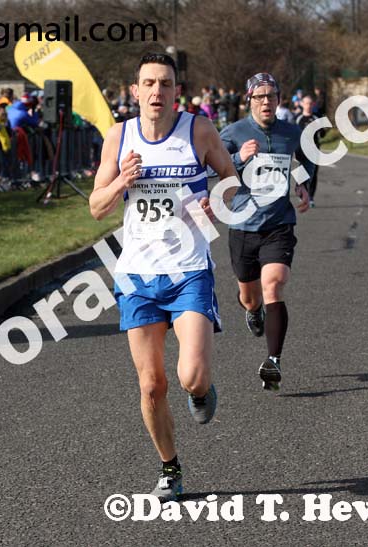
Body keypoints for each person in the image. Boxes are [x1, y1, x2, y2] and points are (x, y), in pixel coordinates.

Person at [89, 53, 238, 502]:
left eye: (166, 84)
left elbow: (232, 181)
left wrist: (218, 198)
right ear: (134, 91)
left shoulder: (199, 130)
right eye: (149, 83)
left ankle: (202, 390)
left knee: (190, 376)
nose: (157, 92)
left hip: (189, 269)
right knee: (151, 384)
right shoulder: (119, 136)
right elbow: (97, 206)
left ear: (178, 91)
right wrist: (120, 182)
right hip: (137, 275)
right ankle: (170, 468)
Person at [219, 72, 313, 391]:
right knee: (249, 295)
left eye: (271, 96)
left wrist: (304, 185)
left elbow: (305, 160)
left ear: (279, 100)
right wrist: (238, 157)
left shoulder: (292, 132)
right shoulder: (233, 132)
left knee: (274, 284)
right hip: (243, 226)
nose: (266, 102)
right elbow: (210, 166)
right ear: (249, 101)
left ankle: (273, 361)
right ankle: (253, 309)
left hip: (279, 223)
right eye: (259, 97)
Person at [295, 93, 327, 206]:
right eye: (306, 103)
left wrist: (323, 126)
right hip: (301, 150)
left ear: (313, 104)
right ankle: (300, 193)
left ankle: (311, 197)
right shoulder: (297, 118)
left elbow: (322, 135)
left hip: (314, 149)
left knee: (313, 173)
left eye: (310, 103)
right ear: (302, 104)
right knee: (302, 172)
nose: (308, 105)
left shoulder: (316, 118)